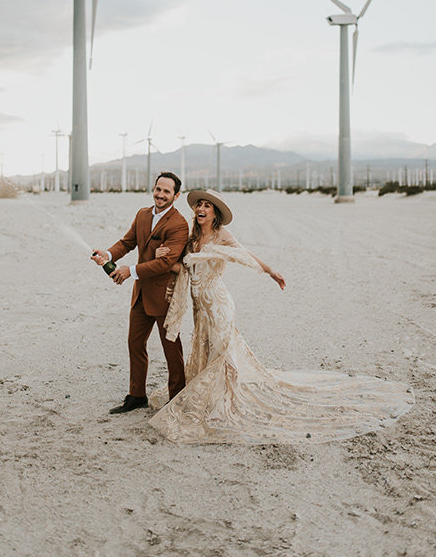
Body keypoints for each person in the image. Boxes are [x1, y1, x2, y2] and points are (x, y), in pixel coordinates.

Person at [149, 189, 414, 445]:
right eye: (199, 205)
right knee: (207, 351)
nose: (201, 209)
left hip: (218, 304)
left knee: (224, 352)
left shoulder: (221, 235)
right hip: (199, 308)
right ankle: (213, 398)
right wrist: (162, 256)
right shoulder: (192, 238)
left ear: (215, 213)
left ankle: (227, 403)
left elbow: (246, 254)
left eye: (207, 206)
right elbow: (181, 268)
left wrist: (271, 271)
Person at [91, 172, 189, 414]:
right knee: (135, 343)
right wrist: (108, 255)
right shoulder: (142, 215)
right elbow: (127, 242)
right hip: (141, 293)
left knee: (171, 348)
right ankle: (137, 395)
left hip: (164, 295)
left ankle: (177, 397)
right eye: (158, 189)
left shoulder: (179, 224)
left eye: (167, 191)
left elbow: (165, 264)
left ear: (176, 196)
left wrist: (129, 271)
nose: (160, 194)